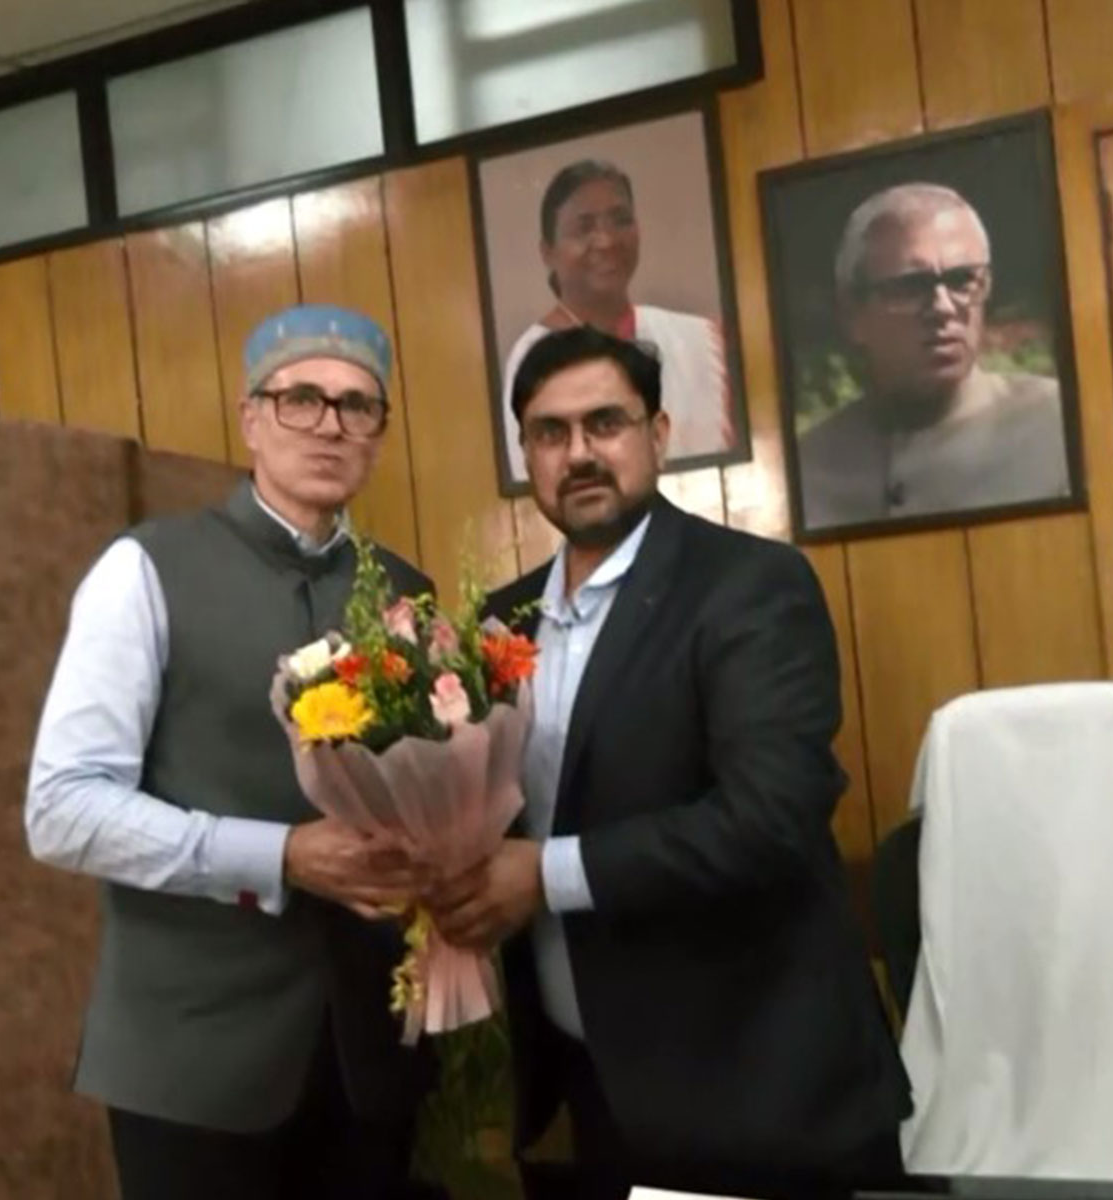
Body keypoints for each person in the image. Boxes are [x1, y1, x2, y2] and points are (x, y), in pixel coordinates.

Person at [429, 326, 910, 1199]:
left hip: (759, 1092)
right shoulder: (498, 626)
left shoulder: (749, 586)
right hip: (590, 1094)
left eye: (605, 423)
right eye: (549, 432)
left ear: (658, 433)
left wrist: (542, 874)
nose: (578, 453)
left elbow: (770, 819)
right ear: (525, 453)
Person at [25, 304, 434, 1200]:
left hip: (369, 1058)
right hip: (191, 1064)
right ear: (251, 418)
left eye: (357, 407)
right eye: (301, 399)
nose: (329, 424)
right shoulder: (145, 569)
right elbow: (62, 809)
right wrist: (279, 855)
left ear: (378, 434)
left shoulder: (405, 593)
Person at [797, 182, 1069, 529]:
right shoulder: (810, 466)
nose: (943, 308)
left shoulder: (1056, 426)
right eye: (911, 286)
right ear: (854, 316)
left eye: (962, 280)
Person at [499, 159, 734, 484]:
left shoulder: (698, 340)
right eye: (584, 227)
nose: (607, 241)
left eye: (621, 220)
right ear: (548, 253)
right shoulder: (531, 357)